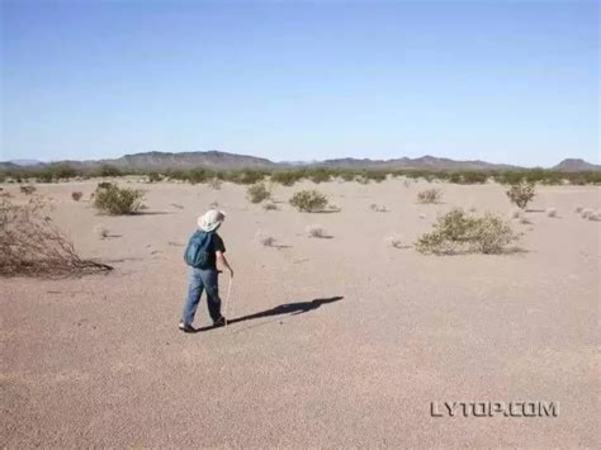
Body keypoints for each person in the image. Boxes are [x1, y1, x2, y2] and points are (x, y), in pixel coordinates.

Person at [179, 209, 234, 332]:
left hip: (194, 269)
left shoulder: (196, 233)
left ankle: (185, 322)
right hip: (208, 270)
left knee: (193, 295)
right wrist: (228, 268)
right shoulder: (214, 238)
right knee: (213, 296)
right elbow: (219, 255)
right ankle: (217, 318)